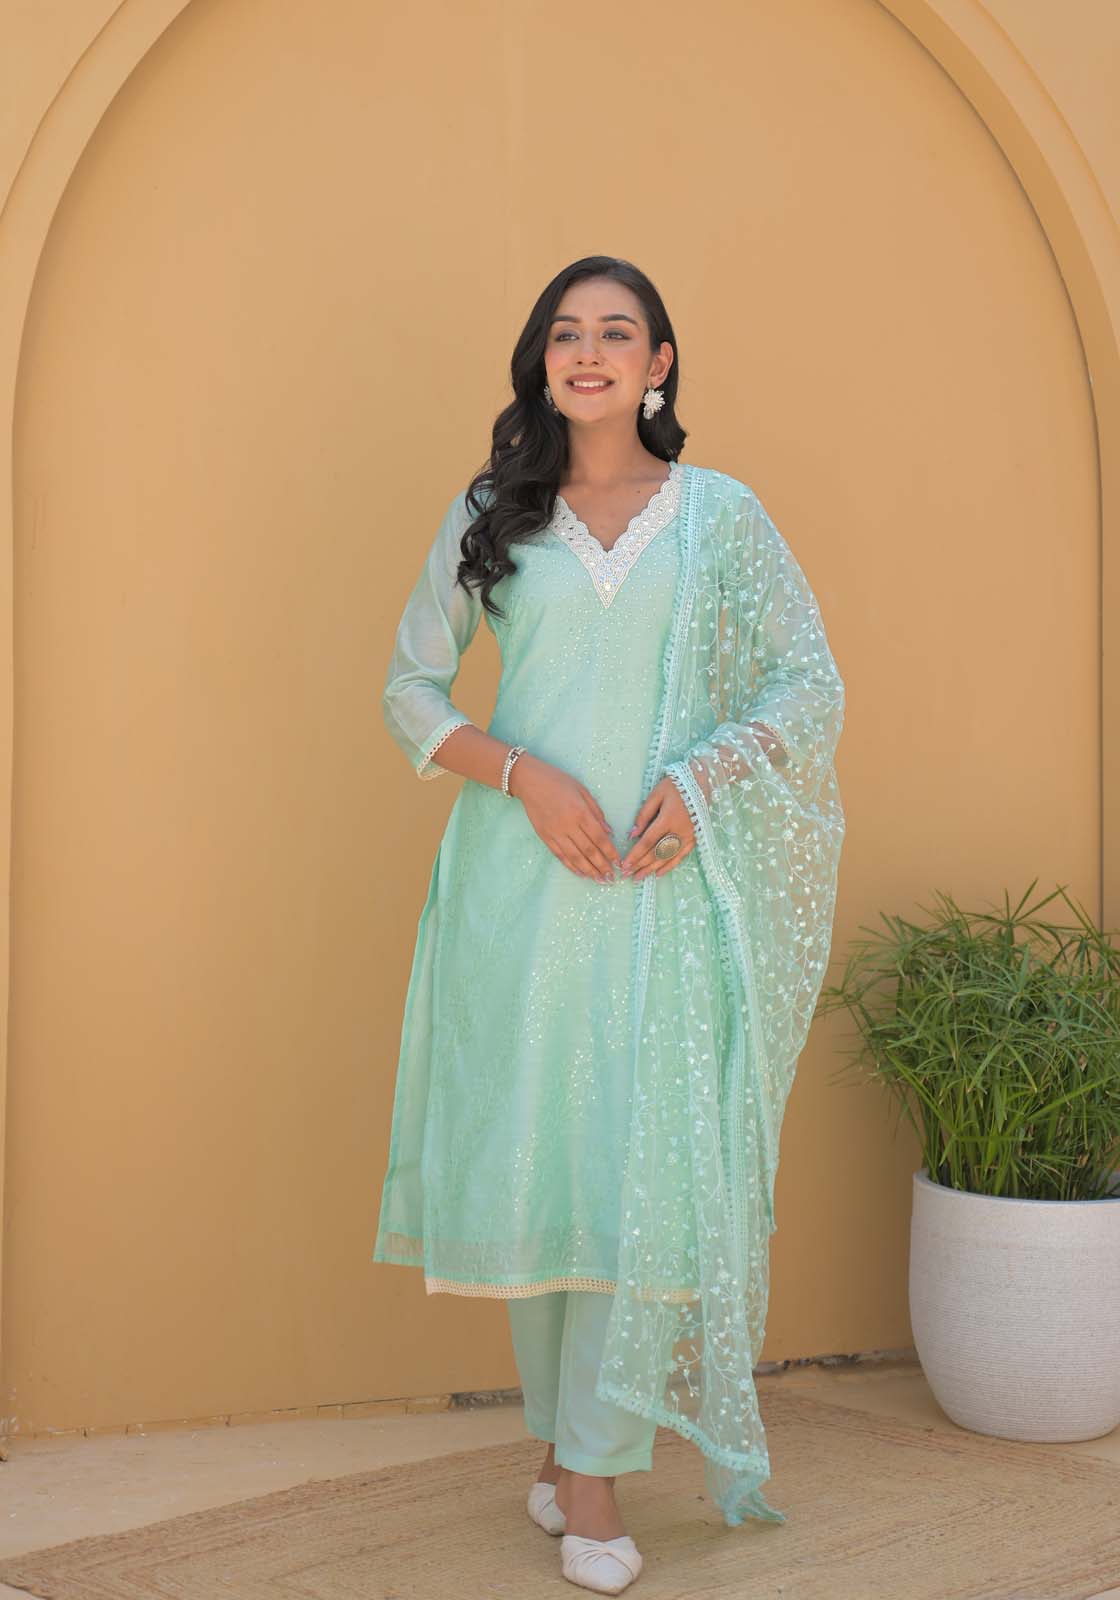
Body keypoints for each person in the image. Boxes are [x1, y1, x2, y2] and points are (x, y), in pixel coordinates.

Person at [372, 255, 846, 1594]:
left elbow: (805, 685)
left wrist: (702, 782)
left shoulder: (718, 517)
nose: (589, 352)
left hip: (657, 896)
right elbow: (410, 691)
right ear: (543, 362)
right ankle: (562, 1441)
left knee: (638, 1177)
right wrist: (523, 775)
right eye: (566, 333)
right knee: (546, 1174)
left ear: (658, 364)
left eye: (616, 332)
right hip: (522, 895)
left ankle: (590, 1472)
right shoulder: (496, 512)